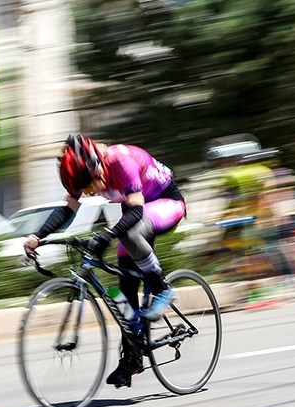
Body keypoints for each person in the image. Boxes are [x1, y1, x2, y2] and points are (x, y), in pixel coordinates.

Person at [23, 134, 186, 388]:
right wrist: (37, 236)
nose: (87, 193)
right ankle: (132, 357)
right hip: (133, 214)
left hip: (164, 203)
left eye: (88, 185)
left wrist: (108, 234)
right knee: (124, 288)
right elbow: (68, 210)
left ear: (96, 165)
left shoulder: (121, 161)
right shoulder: (84, 169)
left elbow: (137, 211)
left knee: (128, 233)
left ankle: (162, 288)